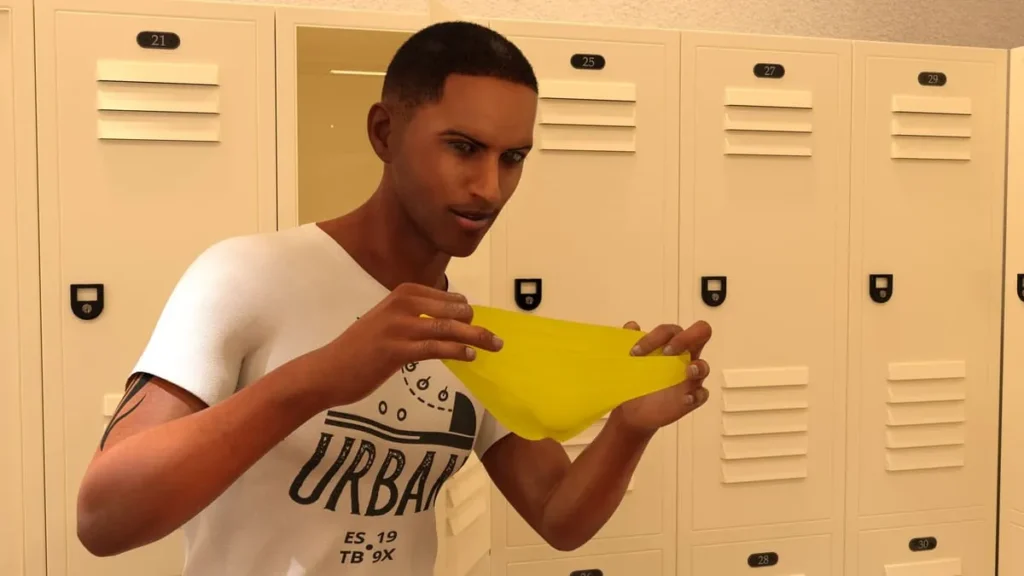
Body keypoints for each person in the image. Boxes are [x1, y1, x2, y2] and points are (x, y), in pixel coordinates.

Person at [75, 20, 712, 576]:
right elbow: (104, 518)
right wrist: (318, 379)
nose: (489, 188)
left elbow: (558, 517)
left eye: (512, 157)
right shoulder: (245, 275)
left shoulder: (469, 335)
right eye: (463, 148)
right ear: (385, 133)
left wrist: (628, 428)